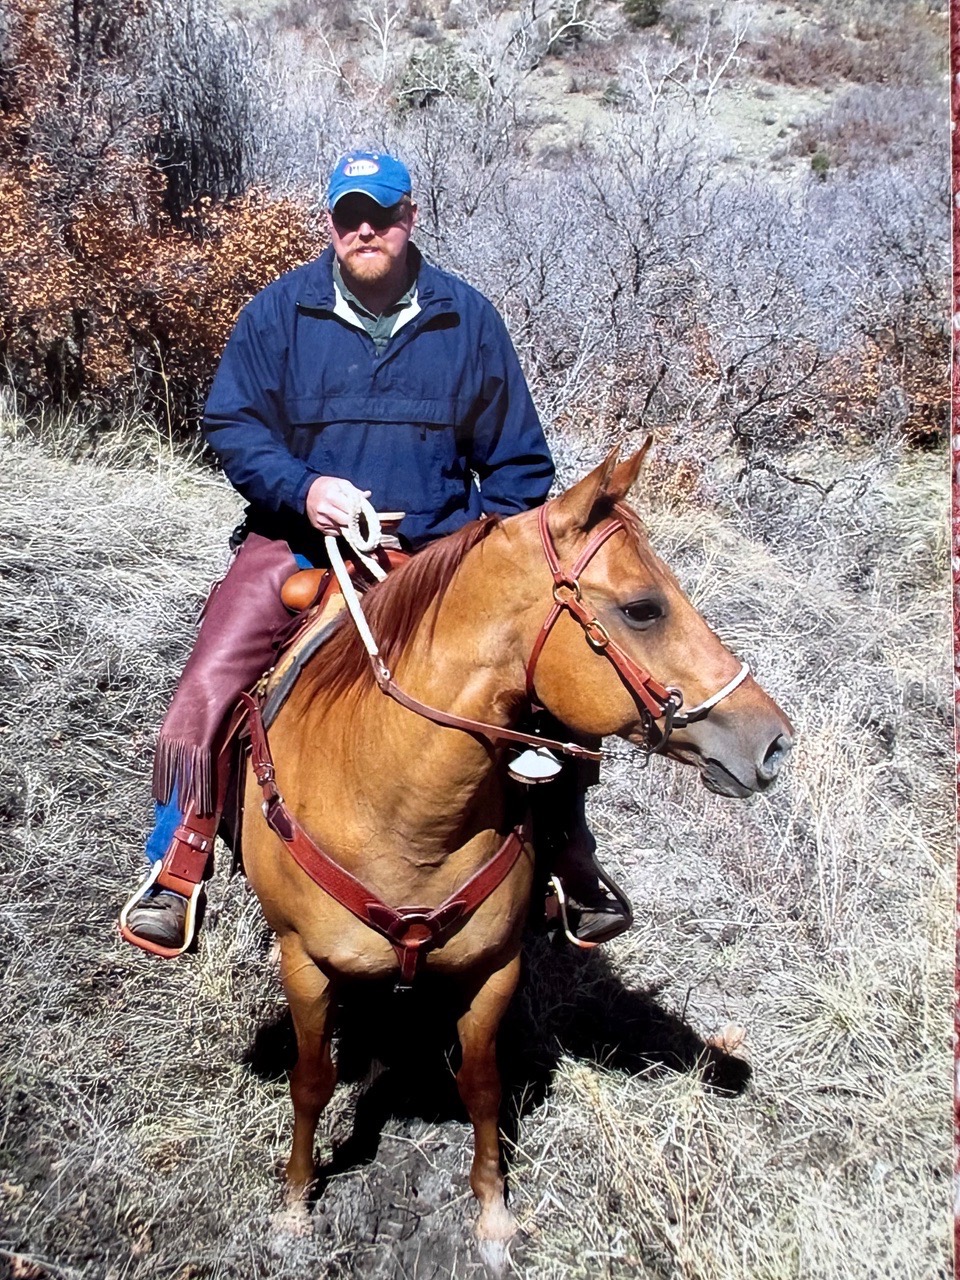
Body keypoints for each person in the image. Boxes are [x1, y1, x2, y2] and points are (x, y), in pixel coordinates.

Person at [121, 149, 630, 955]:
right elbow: (234, 425)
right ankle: (177, 862)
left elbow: (520, 465)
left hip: (439, 552)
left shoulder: (467, 319)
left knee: (550, 679)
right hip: (301, 543)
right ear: (330, 223)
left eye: (383, 215)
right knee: (212, 676)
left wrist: (468, 550)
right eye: (350, 216)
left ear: (409, 219)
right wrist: (303, 489)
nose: (366, 230)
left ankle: (570, 855)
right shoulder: (279, 313)